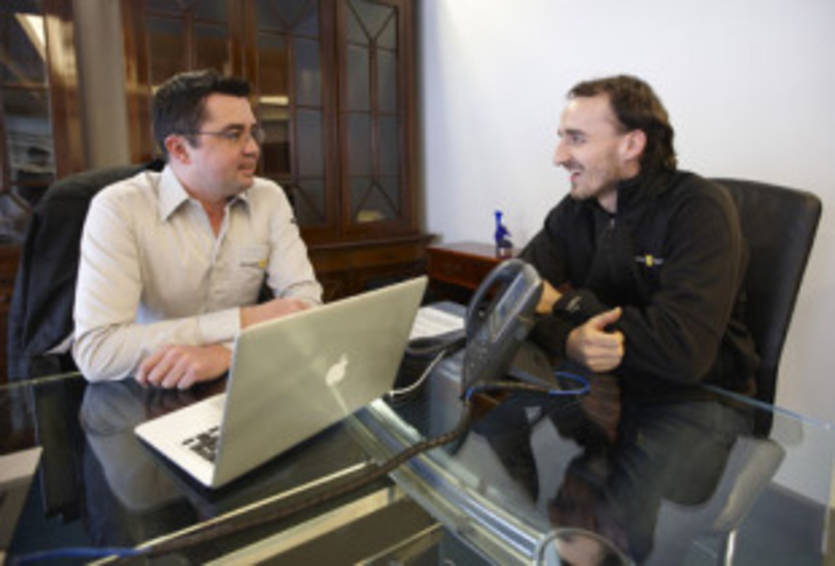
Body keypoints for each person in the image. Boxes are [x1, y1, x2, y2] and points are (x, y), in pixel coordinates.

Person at [73, 70, 322, 389]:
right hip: (150, 390)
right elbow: (97, 353)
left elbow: (307, 307)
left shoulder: (268, 198)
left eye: (252, 133)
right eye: (233, 135)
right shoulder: (120, 208)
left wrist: (227, 353)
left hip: (240, 381)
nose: (253, 149)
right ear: (179, 149)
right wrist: (244, 320)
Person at [522, 74, 758, 400]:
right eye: (562, 138)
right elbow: (513, 290)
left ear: (631, 145)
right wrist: (567, 340)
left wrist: (565, 304)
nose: (558, 157)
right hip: (602, 383)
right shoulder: (576, 209)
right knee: (491, 428)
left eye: (577, 139)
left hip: (695, 397)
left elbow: (682, 354)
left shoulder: (698, 208)